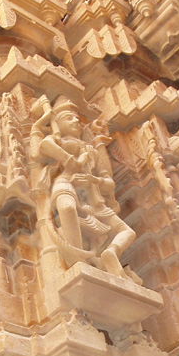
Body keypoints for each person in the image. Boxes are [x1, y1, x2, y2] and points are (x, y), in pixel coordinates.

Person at [31, 96, 136, 277]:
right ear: (58, 124)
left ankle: (110, 253)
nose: (75, 122)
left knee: (128, 232)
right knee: (67, 208)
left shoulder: (91, 151)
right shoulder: (62, 142)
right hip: (66, 185)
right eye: (68, 118)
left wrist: (93, 180)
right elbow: (43, 146)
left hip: (93, 197)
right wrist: (68, 159)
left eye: (77, 120)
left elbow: (109, 182)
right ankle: (77, 260)